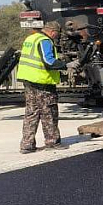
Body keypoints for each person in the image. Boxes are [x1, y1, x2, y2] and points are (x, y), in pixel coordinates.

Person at [16, 21, 78, 153]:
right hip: (42, 82)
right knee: (49, 112)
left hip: (28, 80)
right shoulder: (45, 40)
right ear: (52, 31)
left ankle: (27, 145)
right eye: (57, 34)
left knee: (31, 112)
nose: (57, 36)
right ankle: (52, 142)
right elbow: (48, 61)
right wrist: (66, 65)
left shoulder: (31, 38)